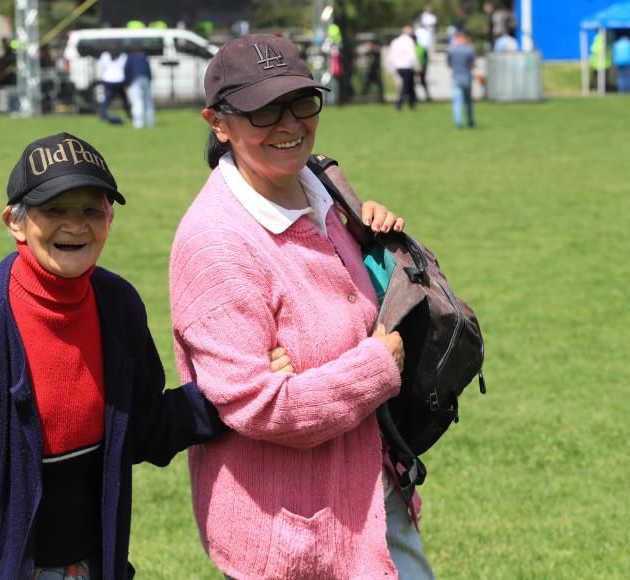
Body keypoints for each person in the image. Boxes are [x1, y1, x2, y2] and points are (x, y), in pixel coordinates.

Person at [0, 132, 291, 578]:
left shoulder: (118, 304)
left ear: (110, 218)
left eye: (91, 210)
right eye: (54, 210)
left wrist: (235, 388)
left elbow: (143, 430)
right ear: (15, 221)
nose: (75, 226)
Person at [170, 34, 435, 579]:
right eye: (264, 110)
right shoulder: (216, 243)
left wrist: (375, 240)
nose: (289, 124)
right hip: (291, 537)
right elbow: (259, 405)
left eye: (301, 102)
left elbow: (345, 304)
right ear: (218, 123)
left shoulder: (319, 184)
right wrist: (377, 364)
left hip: (371, 493)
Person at [447, 30, 477, 129]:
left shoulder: (452, 50)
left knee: (457, 102)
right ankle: (470, 121)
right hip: (467, 78)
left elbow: (449, 64)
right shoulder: (469, 50)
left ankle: (458, 123)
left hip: (456, 78)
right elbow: (473, 65)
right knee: (468, 102)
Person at [387, 26, 419, 110]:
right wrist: (416, 65)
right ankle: (399, 103)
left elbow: (391, 56)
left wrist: (391, 67)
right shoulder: (409, 41)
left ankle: (411, 103)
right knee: (405, 85)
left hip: (398, 66)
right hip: (406, 66)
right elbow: (412, 55)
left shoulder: (395, 42)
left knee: (410, 84)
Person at [124, 50, 155, 128]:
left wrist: (127, 82)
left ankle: (138, 123)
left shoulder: (130, 57)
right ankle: (150, 123)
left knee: (137, 101)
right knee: (148, 101)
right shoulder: (144, 57)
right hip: (145, 79)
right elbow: (148, 70)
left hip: (135, 80)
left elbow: (126, 70)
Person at [98, 50, 129, 125]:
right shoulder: (123, 55)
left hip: (108, 80)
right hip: (119, 80)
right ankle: (129, 114)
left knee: (107, 98)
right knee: (124, 98)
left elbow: (102, 66)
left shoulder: (105, 55)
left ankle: (102, 113)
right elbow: (125, 67)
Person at [362, 38, 385, 102]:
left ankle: (381, 98)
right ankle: (364, 97)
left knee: (379, 85)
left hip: (375, 72)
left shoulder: (376, 53)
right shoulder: (367, 54)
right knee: (366, 85)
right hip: (369, 72)